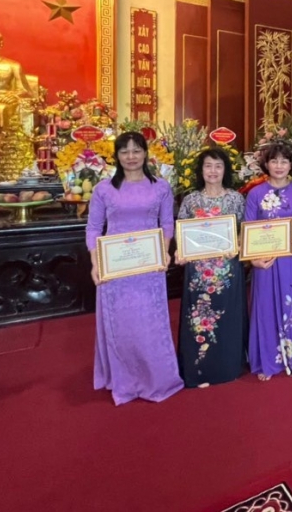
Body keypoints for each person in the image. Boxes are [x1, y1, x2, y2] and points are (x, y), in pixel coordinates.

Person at [86, 131, 182, 405]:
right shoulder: (104, 189)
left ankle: (156, 377)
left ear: (146, 154)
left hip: (149, 266)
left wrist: (164, 250)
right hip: (115, 267)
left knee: (150, 324)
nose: (131, 156)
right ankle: (125, 380)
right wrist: (95, 262)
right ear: (116, 156)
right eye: (125, 151)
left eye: (136, 150)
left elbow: (167, 223)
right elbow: (93, 228)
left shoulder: (160, 187)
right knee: (122, 326)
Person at [175, 147, 246, 388]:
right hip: (198, 272)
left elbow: (244, 231)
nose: (213, 171)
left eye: (218, 166)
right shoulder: (190, 200)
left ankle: (228, 366)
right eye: (208, 166)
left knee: (227, 317)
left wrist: (238, 245)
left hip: (227, 270)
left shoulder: (236, 199)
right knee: (199, 318)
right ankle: (198, 368)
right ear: (201, 170)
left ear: (225, 170)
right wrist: (180, 251)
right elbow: (182, 233)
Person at [245, 141, 292, 380]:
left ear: (291, 164)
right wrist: (253, 260)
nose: (279, 166)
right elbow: (248, 229)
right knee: (266, 308)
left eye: (284, 161)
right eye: (274, 161)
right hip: (265, 262)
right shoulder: (255, 193)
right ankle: (267, 360)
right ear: (266, 164)